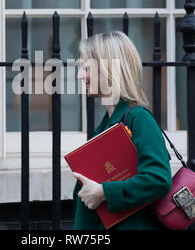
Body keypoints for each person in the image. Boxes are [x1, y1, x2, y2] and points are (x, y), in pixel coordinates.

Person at [73, 31, 172, 230]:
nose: (80, 75)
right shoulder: (106, 123)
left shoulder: (139, 118)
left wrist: (104, 192)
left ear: (108, 68)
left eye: (86, 68)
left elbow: (159, 178)